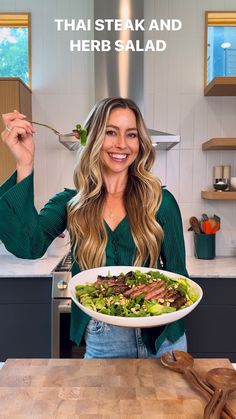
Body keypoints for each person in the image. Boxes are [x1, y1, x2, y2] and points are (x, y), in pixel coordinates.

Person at [0, 97, 188, 358]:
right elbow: (28, 246)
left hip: (163, 337)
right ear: (93, 139)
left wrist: (167, 315)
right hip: (105, 339)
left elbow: (180, 275)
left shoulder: (161, 202)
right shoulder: (70, 203)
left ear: (140, 142)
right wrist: (25, 164)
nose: (122, 144)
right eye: (111, 132)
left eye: (131, 134)